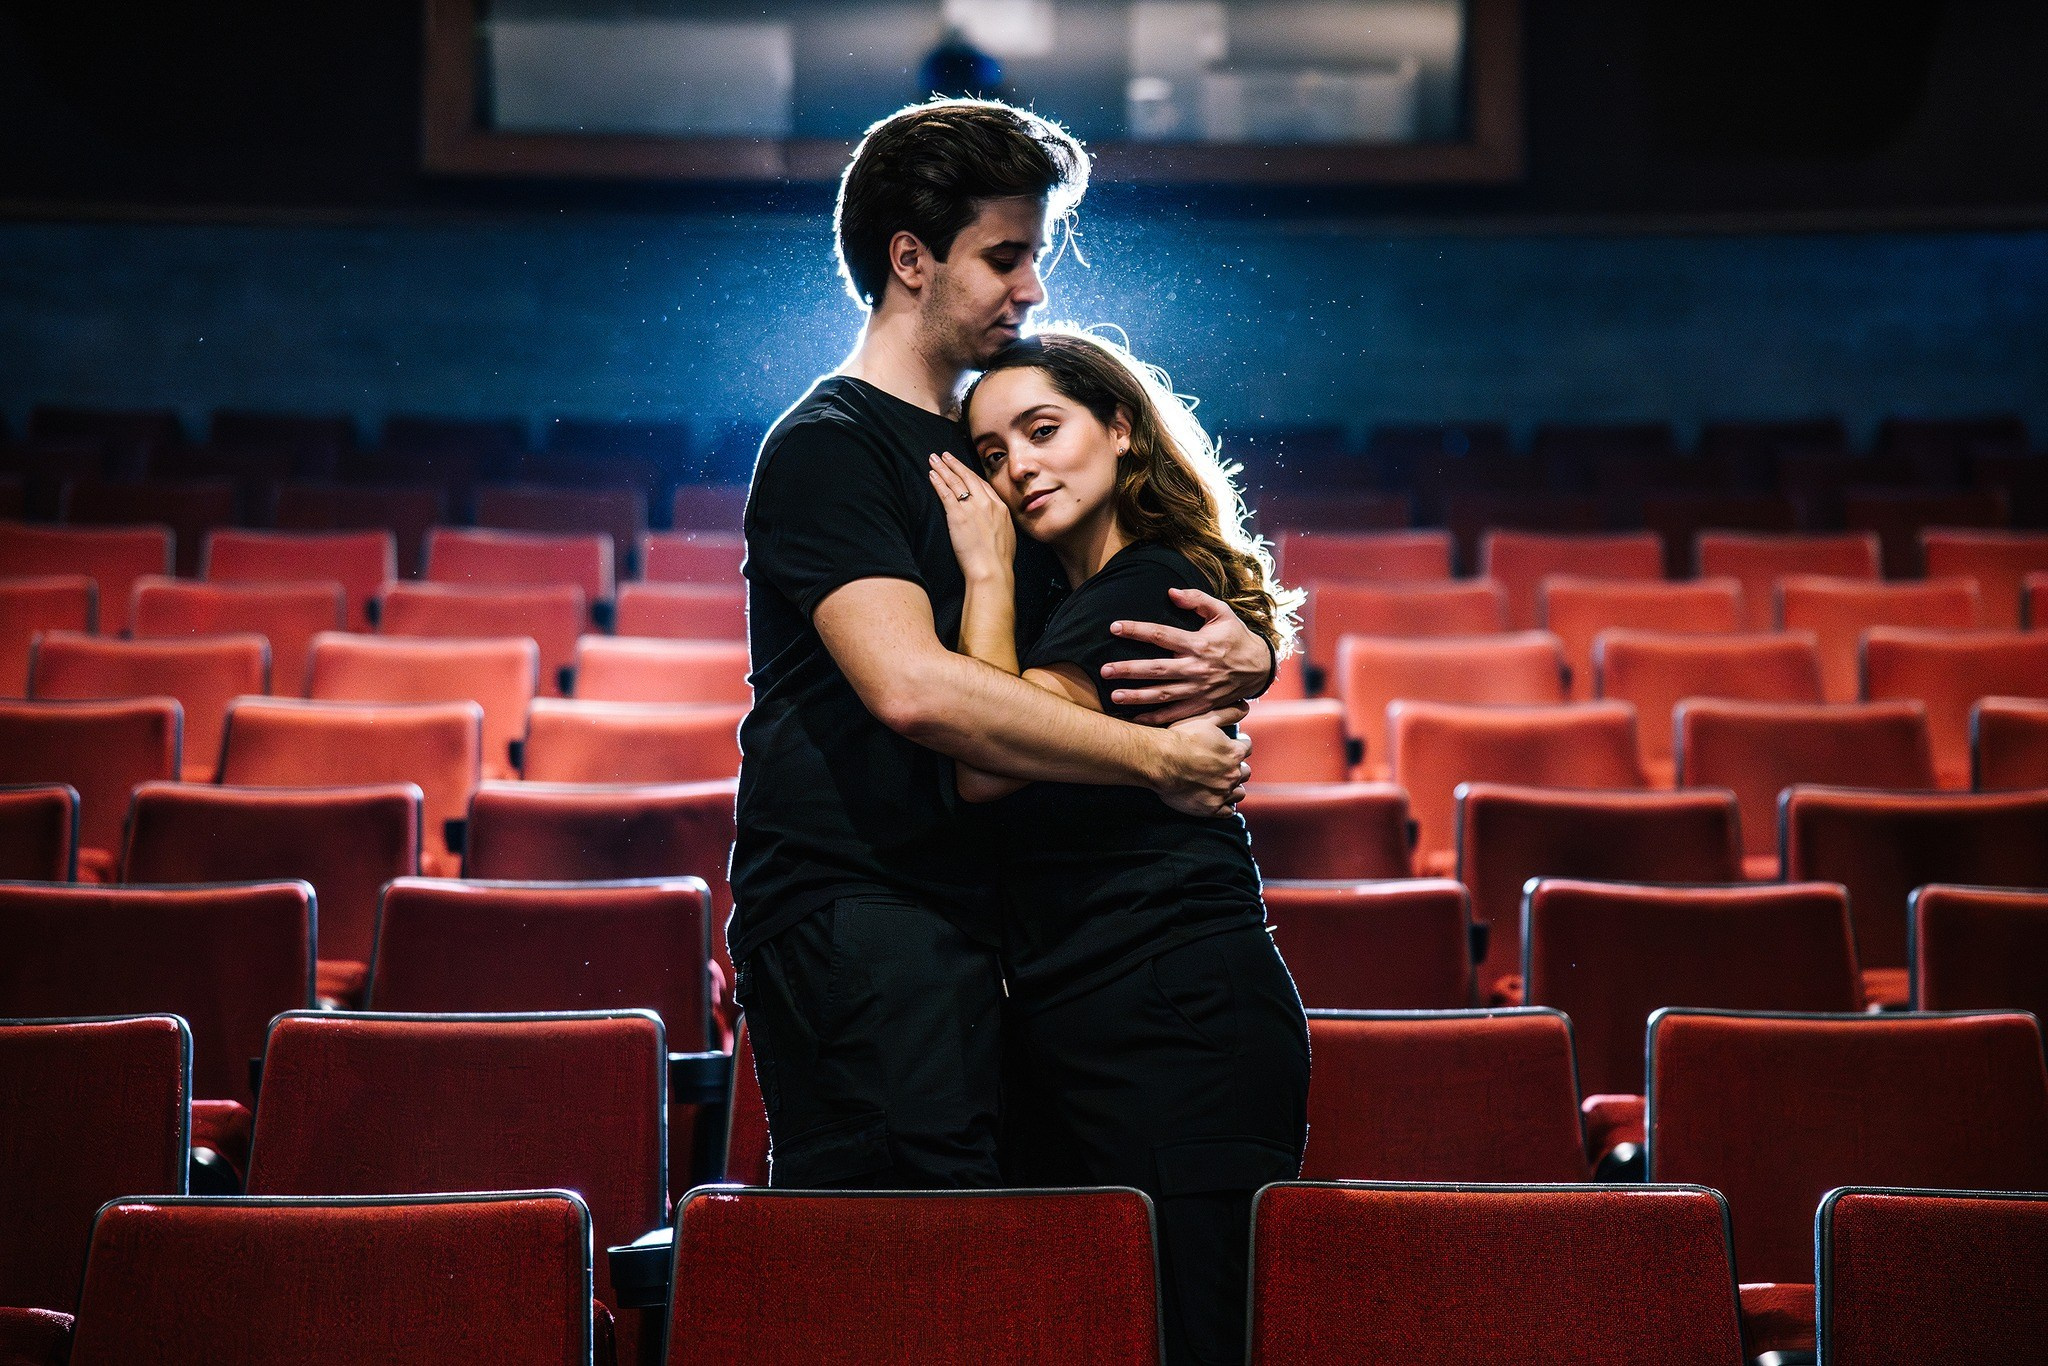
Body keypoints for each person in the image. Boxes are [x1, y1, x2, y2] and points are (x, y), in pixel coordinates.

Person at [733, 99, 1280, 1192]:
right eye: (1004, 256)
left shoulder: (987, 451)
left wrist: (1253, 652)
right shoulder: (829, 447)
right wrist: (1163, 759)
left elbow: (1119, 595)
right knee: (907, 1265)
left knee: (996, 1273)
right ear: (910, 259)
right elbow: (915, 691)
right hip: (861, 905)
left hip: (979, 918)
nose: (1032, 286)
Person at [926, 328, 1310, 1366]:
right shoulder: (1088, 596)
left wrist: (985, 574)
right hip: (1091, 1013)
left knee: (1194, 1333)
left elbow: (989, 756)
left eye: (1042, 430)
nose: (1018, 468)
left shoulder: (1147, 586)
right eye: (993, 455)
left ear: (1122, 428)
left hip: (1172, 1012)